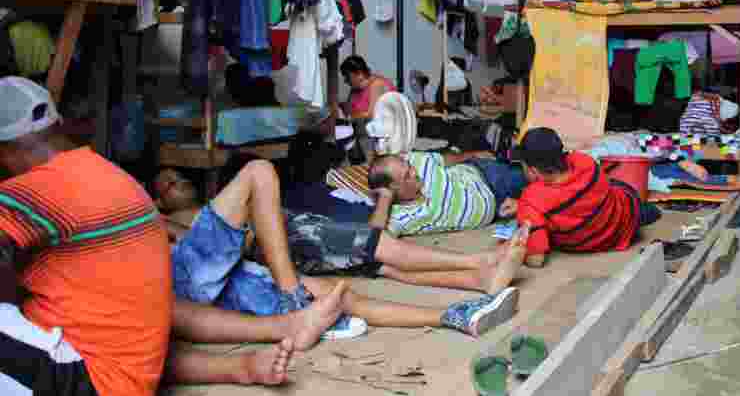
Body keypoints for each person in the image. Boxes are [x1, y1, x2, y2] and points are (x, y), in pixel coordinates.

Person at [156, 159, 528, 326]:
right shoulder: (182, 227)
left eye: (179, 176)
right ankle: (479, 265)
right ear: (158, 201)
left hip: (262, 250)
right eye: (169, 184)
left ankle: (469, 297)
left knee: (357, 279)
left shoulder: (214, 211)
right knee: (374, 247)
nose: (180, 183)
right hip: (270, 244)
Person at [0, 77, 173, 396]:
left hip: (91, 380)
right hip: (127, 377)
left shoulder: (32, 191)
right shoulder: (110, 175)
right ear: (57, 125)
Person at [503, 128, 661, 268]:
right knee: (616, 189)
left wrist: (521, 227)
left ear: (533, 171)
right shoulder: (585, 162)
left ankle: (645, 213)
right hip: (623, 219)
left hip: (590, 242)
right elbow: (571, 194)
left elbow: (536, 260)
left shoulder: (530, 200)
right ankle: (645, 212)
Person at [368, 149, 528, 237]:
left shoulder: (417, 160)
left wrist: (471, 154)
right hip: (499, 209)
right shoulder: (400, 217)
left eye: (409, 166)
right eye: (406, 176)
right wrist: (384, 197)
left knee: (539, 177)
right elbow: (372, 239)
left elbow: (445, 159)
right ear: (392, 188)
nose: (414, 172)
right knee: (537, 201)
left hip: (488, 176)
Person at [341, 55, 397, 120]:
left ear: (359, 73)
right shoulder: (355, 88)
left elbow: (372, 115)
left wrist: (350, 116)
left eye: (348, 77)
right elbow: (347, 112)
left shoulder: (377, 84)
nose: (345, 81)